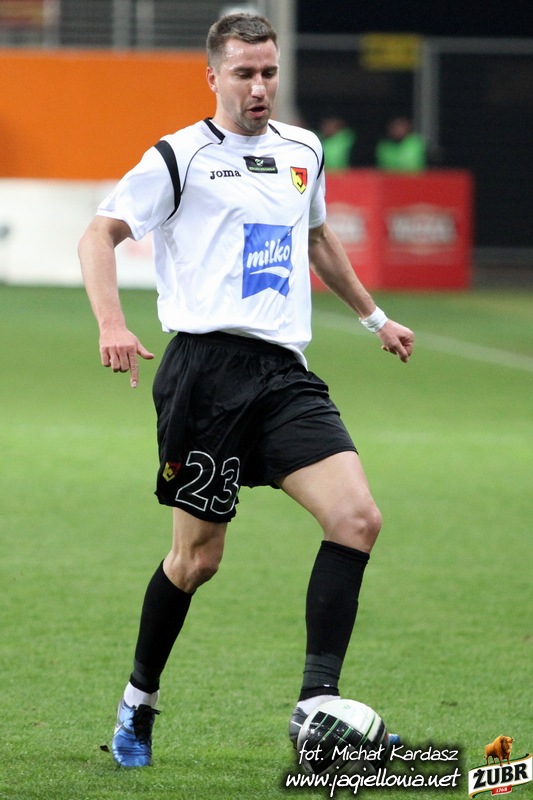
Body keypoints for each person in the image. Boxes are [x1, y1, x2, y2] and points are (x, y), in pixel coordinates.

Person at [78, 12, 414, 769]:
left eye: (268, 72)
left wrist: (375, 318)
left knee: (356, 518)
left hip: (284, 372)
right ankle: (138, 701)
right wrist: (111, 322)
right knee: (197, 560)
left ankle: (317, 705)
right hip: (204, 376)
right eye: (244, 73)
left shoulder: (303, 150)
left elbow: (317, 236)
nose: (259, 86)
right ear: (213, 76)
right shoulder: (180, 156)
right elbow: (98, 234)